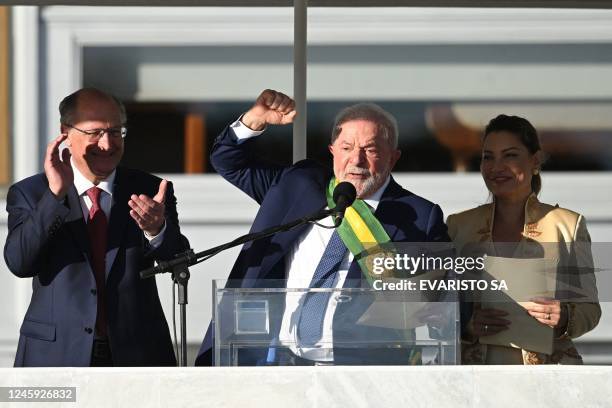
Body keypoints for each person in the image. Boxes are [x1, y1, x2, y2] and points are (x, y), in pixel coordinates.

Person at [195, 89, 453, 366]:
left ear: (393, 157)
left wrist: (440, 313)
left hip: (362, 372)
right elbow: (228, 160)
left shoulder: (420, 216)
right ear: (332, 152)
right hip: (275, 363)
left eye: (371, 149)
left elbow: (441, 296)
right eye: (347, 148)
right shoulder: (299, 185)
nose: (357, 160)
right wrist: (255, 119)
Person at [4, 88, 190, 367]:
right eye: (95, 133)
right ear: (65, 132)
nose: (107, 144)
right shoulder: (32, 193)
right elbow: (20, 262)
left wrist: (156, 229)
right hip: (55, 355)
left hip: (136, 355)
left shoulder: (150, 190)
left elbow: (178, 260)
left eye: (116, 132)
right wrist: (54, 196)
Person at [447, 114, 600, 364]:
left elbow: (590, 310)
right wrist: (466, 324)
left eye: (510, 155)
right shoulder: (458, 226)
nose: (496, 167)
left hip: (548, 378)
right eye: (488, 157)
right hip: (474, 379)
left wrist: (563, 317)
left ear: (535, 161)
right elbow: (437, 306)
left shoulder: (568, 225)